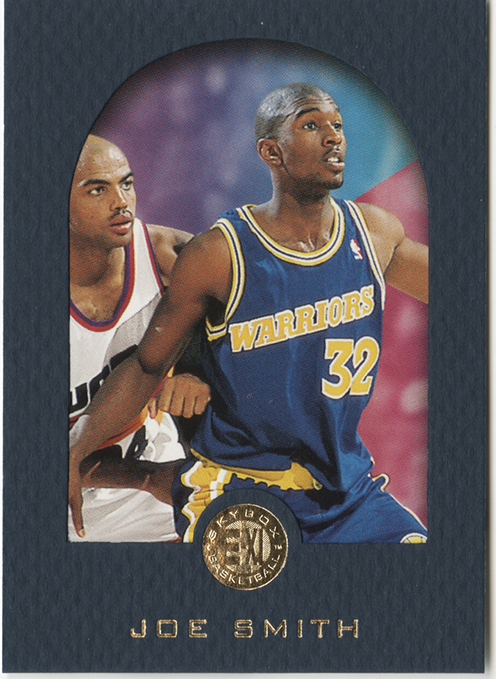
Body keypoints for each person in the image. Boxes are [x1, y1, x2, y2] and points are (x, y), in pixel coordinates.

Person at [69, 84, 428, 543]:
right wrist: (76, 450)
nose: (333, 136)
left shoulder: (374, 233)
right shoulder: (219, 253)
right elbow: (147, 365)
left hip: (344, 487)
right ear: (271, 152)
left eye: (337, 125)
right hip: (239, 486)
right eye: (311, 125)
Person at [69, 134, 210, 541]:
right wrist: (145, 477)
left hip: (160, 477)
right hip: (74, 508)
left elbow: (262, 326)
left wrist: (201, 372)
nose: (122, 202)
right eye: (98, 190)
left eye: (126, 184)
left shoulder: (166, 253)